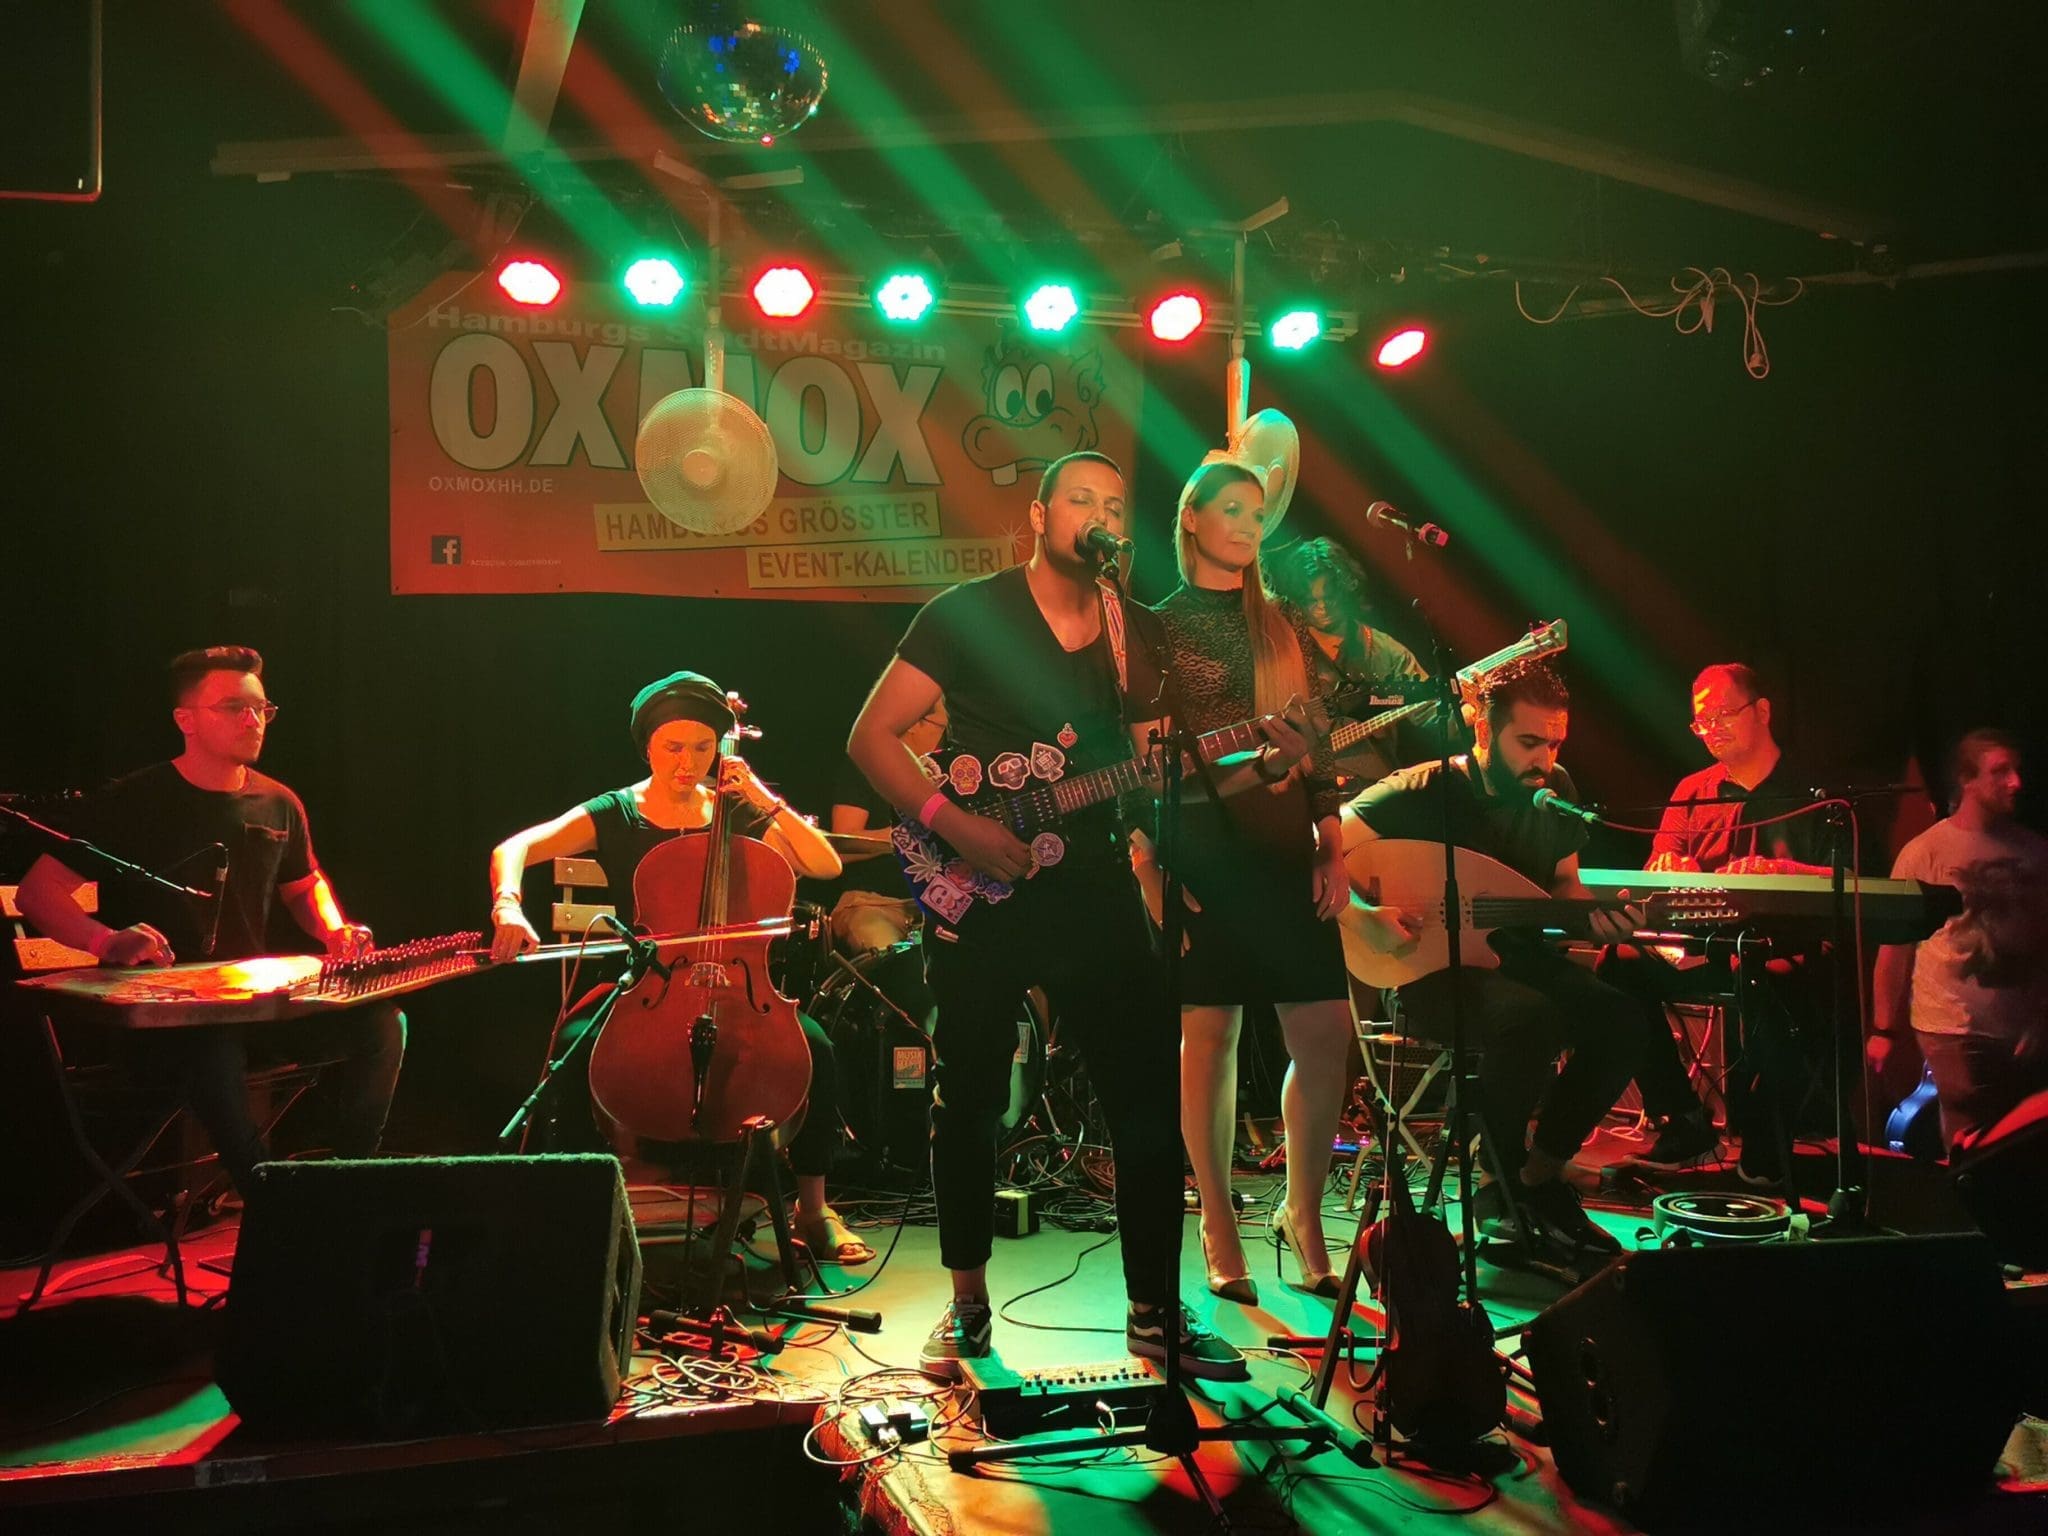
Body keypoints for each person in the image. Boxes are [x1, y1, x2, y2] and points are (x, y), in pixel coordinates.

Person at [848, 450, 1305, 1381]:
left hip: (1093, 885)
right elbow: (870, 736)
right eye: (1080, 499)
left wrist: (1265, 762)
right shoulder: (966, 613)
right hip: (979, 886)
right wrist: (958, 828)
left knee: (1144, 1098)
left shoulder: (1136, 630)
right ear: (1039, 514)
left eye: (1114, 504)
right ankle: (966, 1306)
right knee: (969, 1098)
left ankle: (1155, 1312)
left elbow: (1162, 772)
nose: (1099, 514)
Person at [487, 671, 876, 1265]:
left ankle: (813, 1210)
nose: (687, 762)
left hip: (738, 988)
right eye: (673, 747)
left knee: (815, 1049)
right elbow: (512, 848)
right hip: (650, 984)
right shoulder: (617, 811)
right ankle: (575, 1207)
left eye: (702, 747)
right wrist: (508, 905)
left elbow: (825, 865)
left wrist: (762, 797)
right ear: (647, 746)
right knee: (572, 1052)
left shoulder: (736, 809)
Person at [14, 646, 404, 1195]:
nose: (253, 720)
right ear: (186, 720)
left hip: (251, 1009)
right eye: (234, 708)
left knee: (382, 1024)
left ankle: (347, 1183)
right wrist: (104, 940)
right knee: (210, 1052)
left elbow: (305, 885)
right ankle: (272, 1201)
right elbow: (36, 893)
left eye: (261, 709)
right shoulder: (135, 799)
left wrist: (335, 928)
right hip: (166, 1024)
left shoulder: (278, 801)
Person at [1130, 459, 1353, 1302]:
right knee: (1210, 1036)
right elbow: (1148, 764)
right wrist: (1149, 865)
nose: (1250, 527)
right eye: (1232, 509)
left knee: (1325, 1032)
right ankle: (1218, 1221)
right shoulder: (1155, 626)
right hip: (1206, 852)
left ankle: (1302, 1212)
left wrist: (1331, 842)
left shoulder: (1281, 621)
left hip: (1286, 850)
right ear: (1190, 518)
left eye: (1259, 514)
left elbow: (1315, 744)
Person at [1340, 659, 1646, 1260]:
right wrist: (1362, 915)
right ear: (1483, 730)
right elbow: (1322, 848)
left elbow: (1563, 886)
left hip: (1516, 957)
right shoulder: (1424, 789)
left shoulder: (1556, 790)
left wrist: (1597, 918)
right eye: (1529, 742)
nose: (1545, 759)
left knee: (1623, 1019)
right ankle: (1494, 1182)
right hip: (1431, 970)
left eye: (1555, 743)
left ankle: (1535, 1177)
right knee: (1529, 1018)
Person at [1603, 663, 1833, 1184]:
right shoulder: (1693, 790)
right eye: (1701, 722)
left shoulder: (1814, 791)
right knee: (1618, 964)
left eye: (1723, 714)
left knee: (1770, 980)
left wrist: (1781, 871)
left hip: (1781, 951)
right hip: (1704, 947)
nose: (1711, 730)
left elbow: (1851, 879)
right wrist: (1666, 870)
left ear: (1762, 711)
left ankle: (1766, 1137)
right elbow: (1655, 869)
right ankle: (1683, 1118)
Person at [1872, 729, 2048, 1155]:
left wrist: (2041, 1017)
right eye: (2000, 772)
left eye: (2016, 770)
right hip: (1952, 1026)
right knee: (1973, 1136)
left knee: (2018, 1148)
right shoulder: (1926, 852)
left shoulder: (2035, 851)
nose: (2016, 782)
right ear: (1967, 780)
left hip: (2020, 1030)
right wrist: (1883, 1029)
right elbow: (1894, 950)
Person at [1270, 536, 1431, 789]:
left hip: (1374, 785)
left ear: (1346, 588)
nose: (1322, 607)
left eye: (1330, 597)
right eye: (1311, 600)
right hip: (1305, 785)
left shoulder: (1382, 650)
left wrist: (1474, 707)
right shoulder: (1282, 650)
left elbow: (1430, 709)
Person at [822, 697, 947, 955]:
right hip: (872, 903)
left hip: (940, 905)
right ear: (914, 724)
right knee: (893, 958)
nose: (947, 738)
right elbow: (842, 847)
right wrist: (907, 834)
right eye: (943, 728)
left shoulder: (949, 772)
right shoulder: (866, 765)